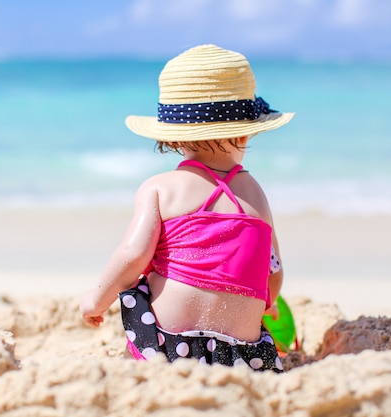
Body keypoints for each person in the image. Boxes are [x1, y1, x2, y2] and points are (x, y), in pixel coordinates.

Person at [79, 44, 294, 372]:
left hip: (167, 348)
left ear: (175, 137)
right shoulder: (256, 196)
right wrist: (269, 303)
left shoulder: (160, 188)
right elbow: (273, 271)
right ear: (248, 130)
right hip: (239, 357)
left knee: (138, 284)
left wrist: (97, 300)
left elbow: (133, 254)